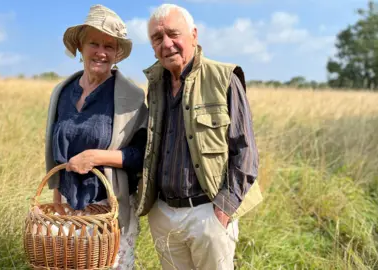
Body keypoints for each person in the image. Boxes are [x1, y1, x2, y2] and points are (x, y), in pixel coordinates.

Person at [135, 3, 264, 270]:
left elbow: (245, 150)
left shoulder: (223, 78)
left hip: (208, 214)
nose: (167, 43)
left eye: (174, 34)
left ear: (194, 35)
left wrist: (223, 209)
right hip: (163, 213)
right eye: (157, 38)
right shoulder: (155, 83)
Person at [44, 4, 148, 269]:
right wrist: (57, 201)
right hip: (67, 206)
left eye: (109, 46)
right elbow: (55, 151)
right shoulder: (62, 92)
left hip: (109, 207)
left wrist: (96, 157)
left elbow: (143, 155)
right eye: (94, 43)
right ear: (80, 46)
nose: (101, 52)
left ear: (117, 54)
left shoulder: (131, 97)